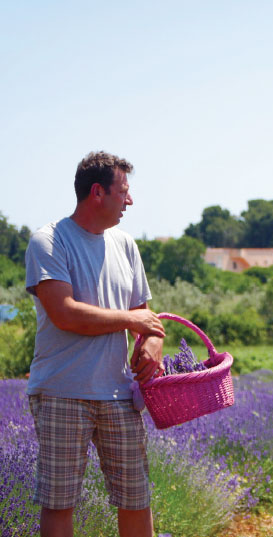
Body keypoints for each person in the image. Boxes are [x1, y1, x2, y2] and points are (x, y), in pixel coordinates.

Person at [25, 151, 166, 537]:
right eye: (124, 191)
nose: (130, 200)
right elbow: (65, 314)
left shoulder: (125, 245)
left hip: (118, 393)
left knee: (136, 498)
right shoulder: (49, 241)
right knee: (60, 502)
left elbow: (145, 317)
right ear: (98, 192)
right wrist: (131, 320)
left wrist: (152, 341)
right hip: (62, 391)